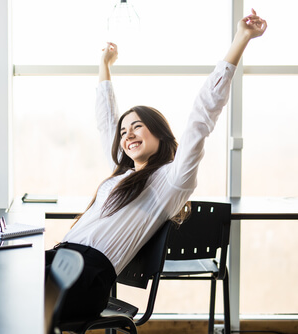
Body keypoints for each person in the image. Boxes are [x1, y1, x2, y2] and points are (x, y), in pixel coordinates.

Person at [45, 9, 267, 321]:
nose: (127, 135)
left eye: (137, 127)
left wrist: (240, 40)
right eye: (124, 132)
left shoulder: (170, 181)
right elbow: (106, 120)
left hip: (85, 277)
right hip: (60, 260)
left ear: (159, 134)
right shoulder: (123, 174)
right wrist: (104, 66)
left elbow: (202, 116)